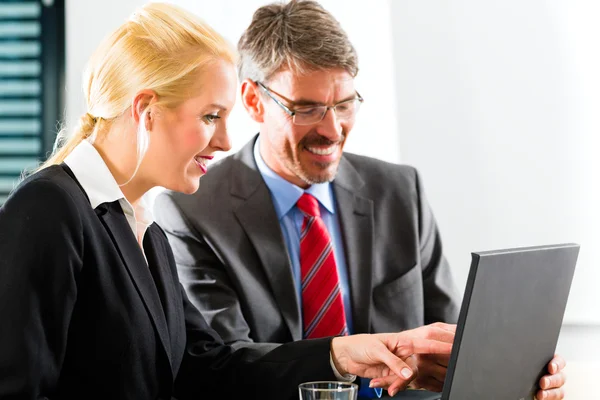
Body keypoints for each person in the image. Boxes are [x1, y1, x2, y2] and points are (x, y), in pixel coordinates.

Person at [0, 3, 457, 399]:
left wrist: (340, 354)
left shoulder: (140, 226)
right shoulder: (48, 210)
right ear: (146, 110)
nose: (223, 141)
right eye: (210, 117)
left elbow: (207, 370)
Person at [154, 1, 567, 399]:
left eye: (345, 104)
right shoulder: (192, 210)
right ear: (252, 101)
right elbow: (224, 368)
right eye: (308, 108)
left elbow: (451, 341)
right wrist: (340, 360)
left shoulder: (400, 190)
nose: (333, 130)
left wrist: (516, 377)